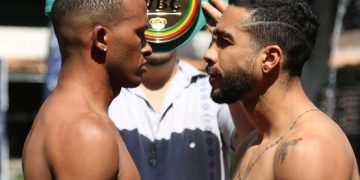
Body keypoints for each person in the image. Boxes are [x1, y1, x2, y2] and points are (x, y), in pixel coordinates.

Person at [201, 0, 360, 179]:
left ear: (270, 58)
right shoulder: (251, 145)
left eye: (224, 42)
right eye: (214, 41)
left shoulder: (308, 149)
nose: (208, 54)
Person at [22, 0, 152, 179]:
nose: (148, 48)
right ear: (101, 38)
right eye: (140, 33)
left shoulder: (56, 113)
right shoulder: (87, 132)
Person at [108, 50, 253, 180]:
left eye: (167, 18)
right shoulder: (109, 95)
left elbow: (250, 144)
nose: (159, 23)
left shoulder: (212, 89)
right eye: (149, 19)